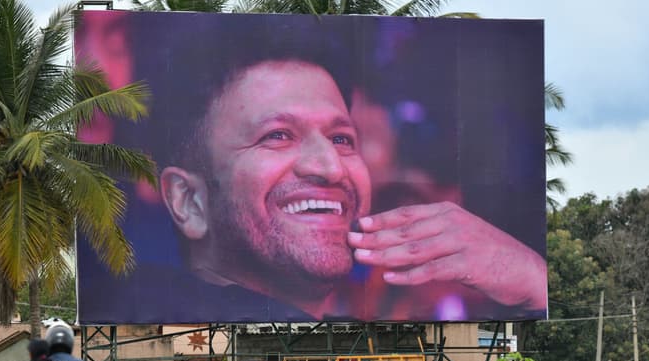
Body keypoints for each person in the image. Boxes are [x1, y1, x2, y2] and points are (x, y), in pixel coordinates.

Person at [154, 49, 546, 321]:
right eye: (277, 135)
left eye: (342, 139)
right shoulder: (143, 308)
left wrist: (530, 277)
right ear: (188, 201)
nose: (330, 167)